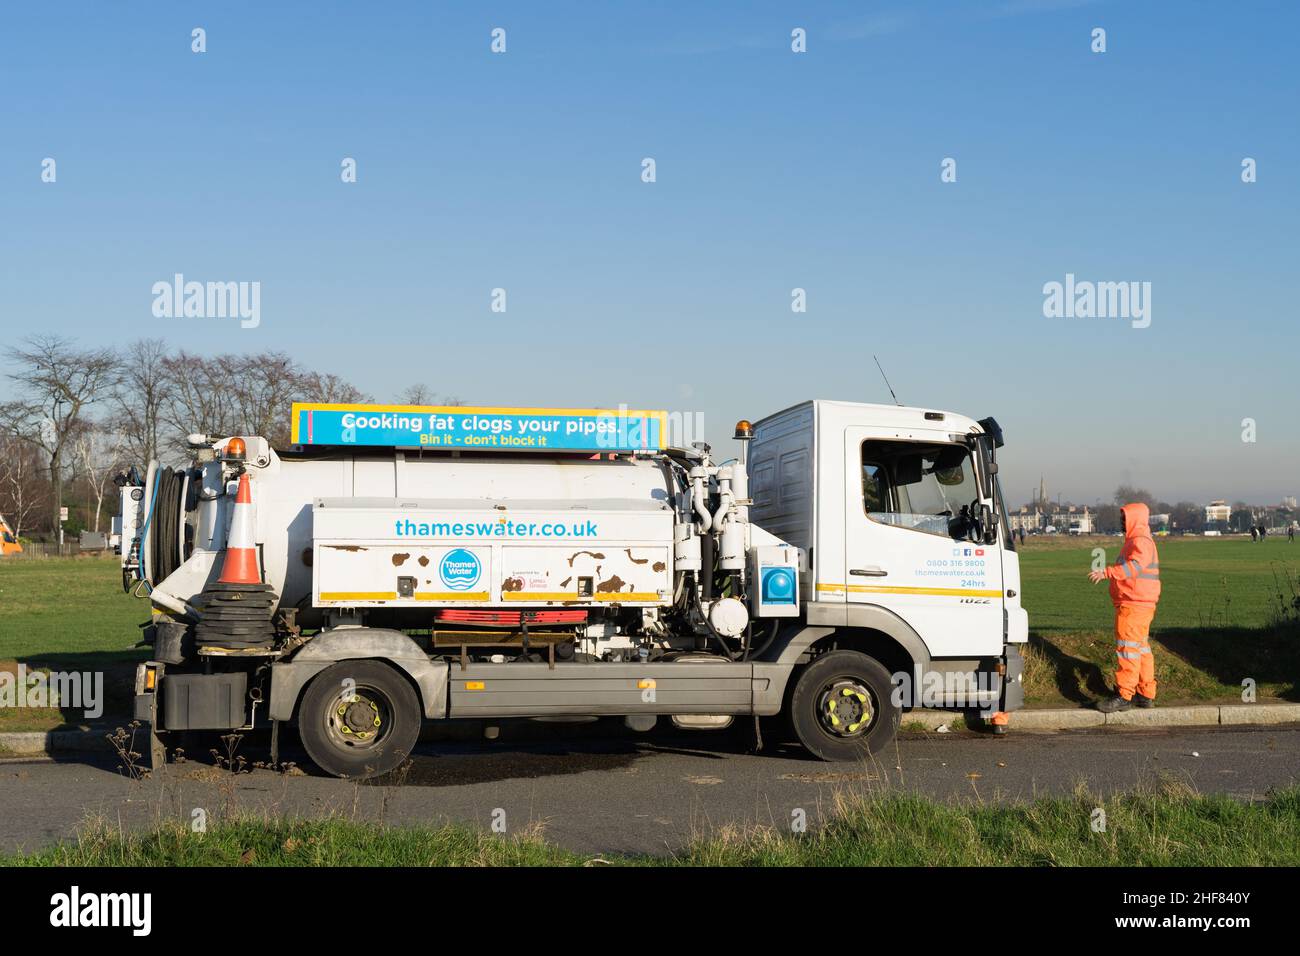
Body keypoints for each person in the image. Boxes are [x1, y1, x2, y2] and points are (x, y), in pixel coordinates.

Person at [1088, 502, 1160, 712]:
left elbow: (1135, 566)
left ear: (1134, 519)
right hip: (1140, 603)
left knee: (1128, 649)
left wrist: (1107, 573)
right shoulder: (1140, 540)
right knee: (1141, 649)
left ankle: (1124, 696)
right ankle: (1145, 694)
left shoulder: (1139, 541)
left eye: (1124, 518)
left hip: (1133, 604)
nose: (1122, 522)